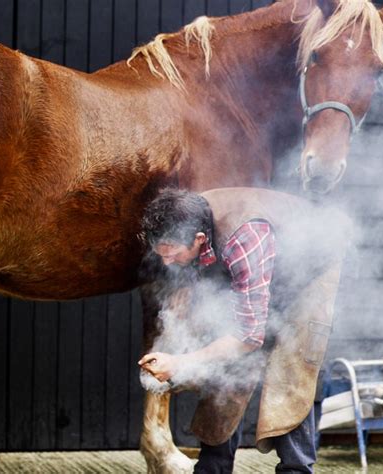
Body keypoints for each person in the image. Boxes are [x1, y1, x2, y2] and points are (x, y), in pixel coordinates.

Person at [138, 187, 347, 473]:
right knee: (226, 358)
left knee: (290, 363)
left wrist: (180, 363)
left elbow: (249, 337)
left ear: (198, 240)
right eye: (161, 254)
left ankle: (296, 468)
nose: (166, 261)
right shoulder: (190, 215)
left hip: (309, 270)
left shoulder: (243, 237)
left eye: (172, 253)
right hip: (258, 268)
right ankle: (213, 467)